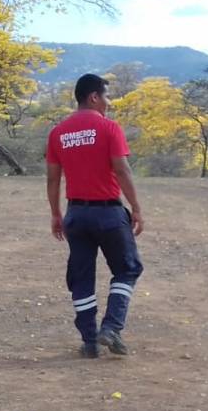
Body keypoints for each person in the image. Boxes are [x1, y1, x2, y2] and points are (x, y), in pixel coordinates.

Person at [45, 73, 144, 359]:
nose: (108, 103)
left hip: (76, 214)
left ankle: (89, 342)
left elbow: (53, 179)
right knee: (127, 269)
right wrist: (136, 207)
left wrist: (55, 213)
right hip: (109, 213)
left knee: (82, 277)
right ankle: (111, 327)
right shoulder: (109, 128)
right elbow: (122, 170)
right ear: (93, 97)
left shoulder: (58, 132)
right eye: (106, 96)